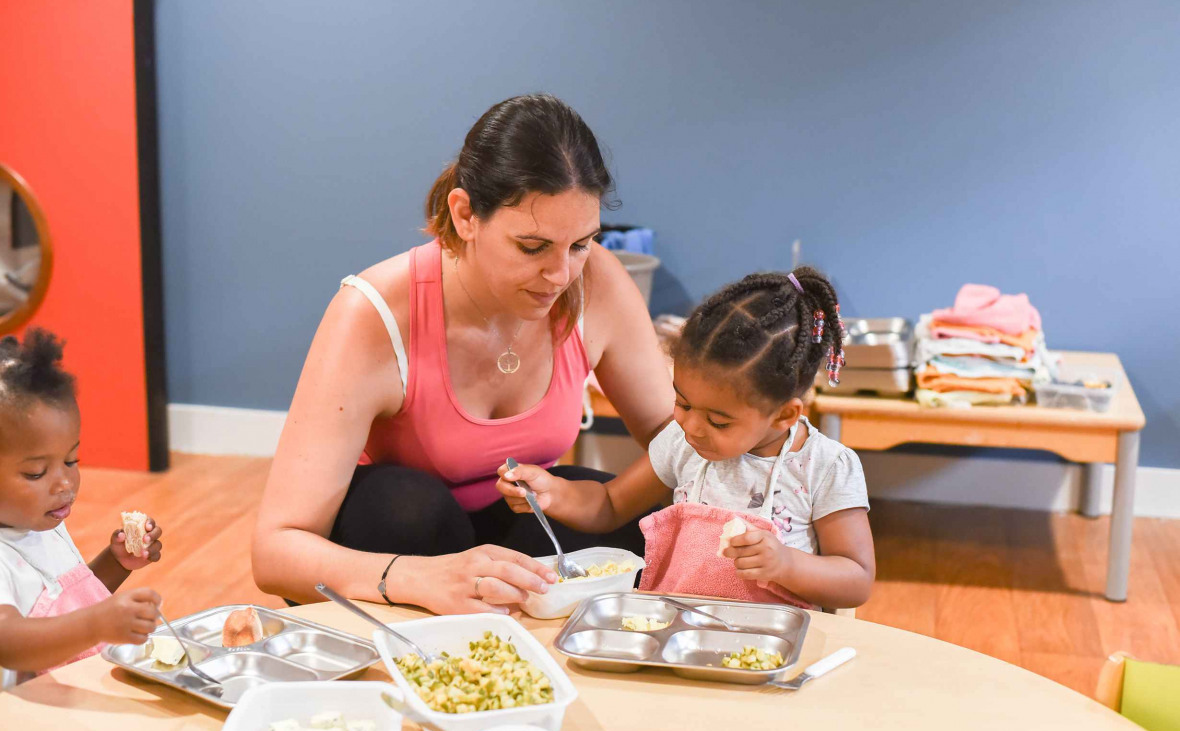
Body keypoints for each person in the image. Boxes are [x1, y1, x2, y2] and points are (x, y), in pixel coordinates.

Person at [252, 94, 673, 613]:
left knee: (641, 525)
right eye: (533, 247)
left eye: (581, 244)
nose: (562, 276)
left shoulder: (597, 282)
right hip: (396, 541)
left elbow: (678, 439)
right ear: (466, 213)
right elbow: (273, 554)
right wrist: (416, 578)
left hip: (507, 524)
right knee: (408, 507)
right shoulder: (373, 313)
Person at [498, 268, 875, 609]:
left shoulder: (825, 466)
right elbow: (610, 504)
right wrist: (553, 494)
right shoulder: (683, 442)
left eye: (718, 421)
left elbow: (856, 579)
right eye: (682, 402)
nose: (692, 426)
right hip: (674, 624)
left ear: (784, 415)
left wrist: (787, 564)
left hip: (771, 643)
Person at [0, 329, 165, 689]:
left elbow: (64, 603)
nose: (64, 484)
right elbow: (9, 642)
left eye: (72, 460)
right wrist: (97, 625)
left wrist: (116, 561)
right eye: (36, 472)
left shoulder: (39, 520)